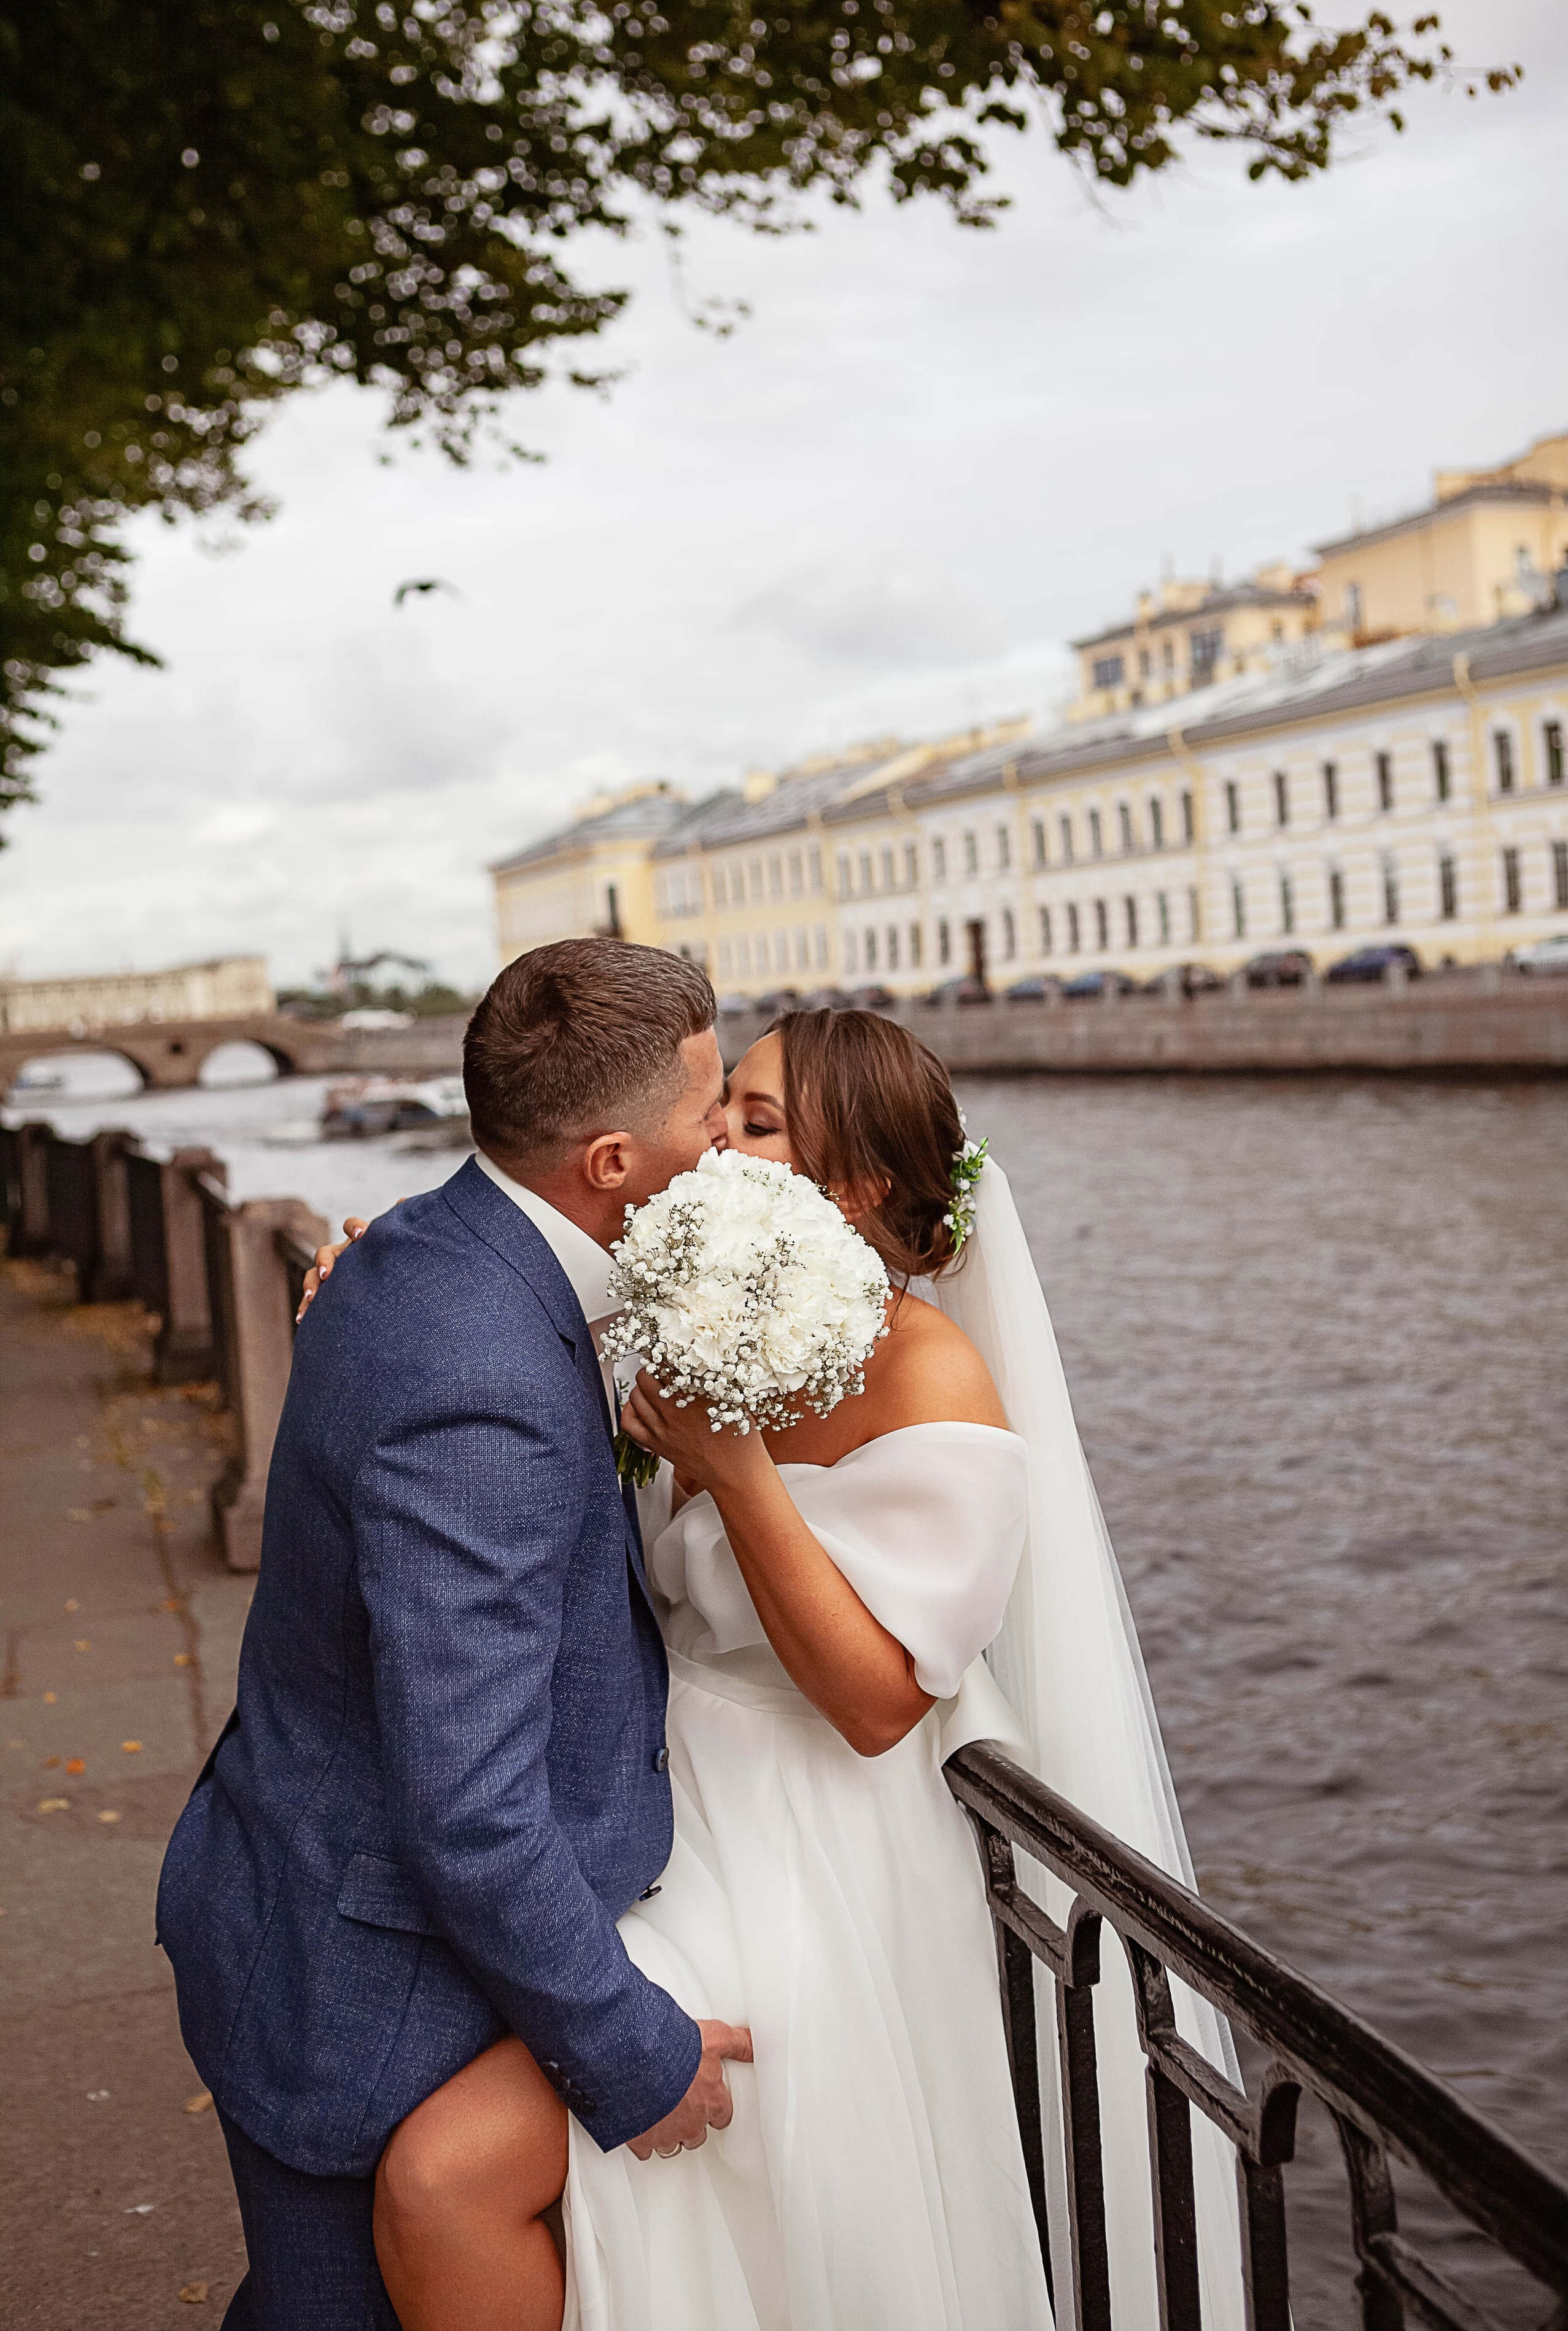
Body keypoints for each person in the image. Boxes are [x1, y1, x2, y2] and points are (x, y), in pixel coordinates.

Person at [299, 1003, 1244, 2331]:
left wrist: (735, 1469)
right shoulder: (686, 1312)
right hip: (647, 1806)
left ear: (856, 1181)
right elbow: (495, 1318)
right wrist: (373, 1287)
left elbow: (870, 1705)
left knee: (447, 2177)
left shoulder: (934, 1380)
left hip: (804, 1849)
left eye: (755, 1123)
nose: (715, 1152)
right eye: (717, 1113)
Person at [157, 939, 754, 2331]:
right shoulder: (480, 1388)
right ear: (610, 1164)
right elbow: (470, 1806)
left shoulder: (414, 1246)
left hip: (289, 1871)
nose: (723, 1136)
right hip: (366, 1992)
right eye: (707, 1107)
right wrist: (630, 2052)